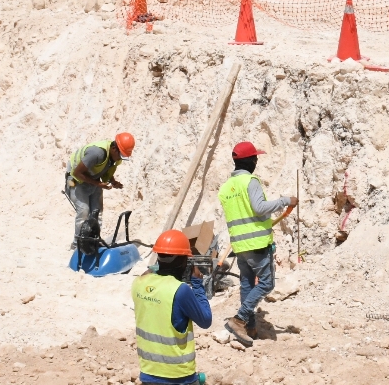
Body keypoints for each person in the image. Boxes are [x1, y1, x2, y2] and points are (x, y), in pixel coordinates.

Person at [218, 141, 297, 347]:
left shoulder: (226, 187)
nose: (257, 161)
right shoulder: (250, 181)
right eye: (255, 157)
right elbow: (260, 207)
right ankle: (240, 319)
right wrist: (285, 200)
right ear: (249, 160)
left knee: (246, 284)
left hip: (239, 245)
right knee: (266, 283)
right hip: (257, 243)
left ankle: (250, 327)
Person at [133, 230, 212, 384]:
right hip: (179, 376)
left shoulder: (138, 284)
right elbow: (206, 320)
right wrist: (197, 284)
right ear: (183, 262)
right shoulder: (180, 290)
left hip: (148, 374)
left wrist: (156, 270)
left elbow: (150, 280)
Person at [65, 133, 134, 250]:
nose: (120, 158)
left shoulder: (115, 157)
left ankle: (93, 241)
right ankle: (77, 244)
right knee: (84, 212)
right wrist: (98, 184)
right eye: (121, 154)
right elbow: (77, 173)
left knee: (97, 212)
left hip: (93, 178)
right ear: (113, 149)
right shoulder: (96, 153)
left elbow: (108, 169)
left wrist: (113, 181)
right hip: (77, 179)